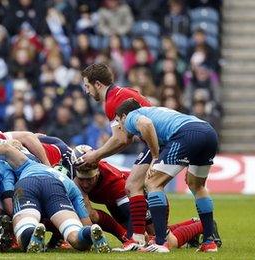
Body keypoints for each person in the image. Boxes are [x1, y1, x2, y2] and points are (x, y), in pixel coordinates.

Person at [114, 99, 219, 253]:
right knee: (197, 186)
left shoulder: (131, 116)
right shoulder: (155, 111)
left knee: (153, 183)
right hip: (208, 132)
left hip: (187, 133)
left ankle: (161, 242)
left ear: (123, 116)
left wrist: (155, 157)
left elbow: (146, 124)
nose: (119, 126)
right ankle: (209, 242)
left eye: (118, 121)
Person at [78, 63, 152, 250]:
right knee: (146, 192)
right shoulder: (121, 93)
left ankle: (139, 240)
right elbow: (124, 138)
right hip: (156, 143)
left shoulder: (112, 102)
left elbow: (121, 140)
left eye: (87, 86)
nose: (86, 91)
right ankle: (199, 229)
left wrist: (95, 155)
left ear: (97, 84)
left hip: (158, 144)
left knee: (133, 186)